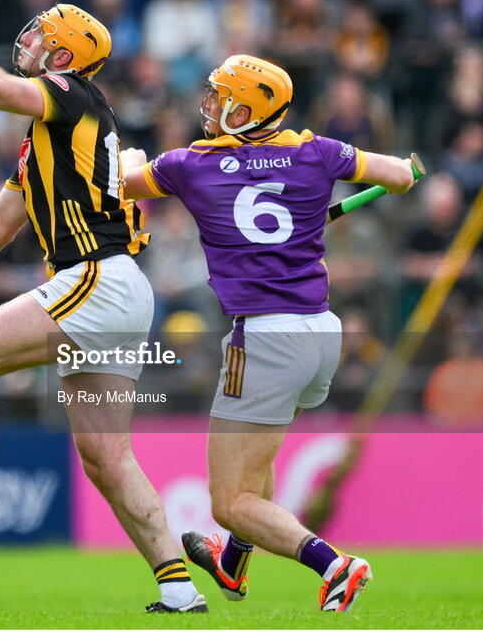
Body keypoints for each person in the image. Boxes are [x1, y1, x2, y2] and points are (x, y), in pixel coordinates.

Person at [0, 4, 206, 613]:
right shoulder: (46, 142)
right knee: (107, 458)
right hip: (116, 288)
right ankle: (180, 590)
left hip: (94, 280)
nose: (26, 40)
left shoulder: (69, 92)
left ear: (62, 58)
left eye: (40, 36)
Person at [119, 55, 417, 612]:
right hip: (322, 334)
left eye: (219, 98)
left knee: (231, 501)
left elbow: (119, 186)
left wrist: (134, 156)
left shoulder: (191, 164)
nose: (209, 106)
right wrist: (401, 167)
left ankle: (336, 566)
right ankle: (232, 564)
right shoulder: (318, 150)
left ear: (244, 109)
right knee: (257, 465)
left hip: (263, 339)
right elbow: (400, 177)